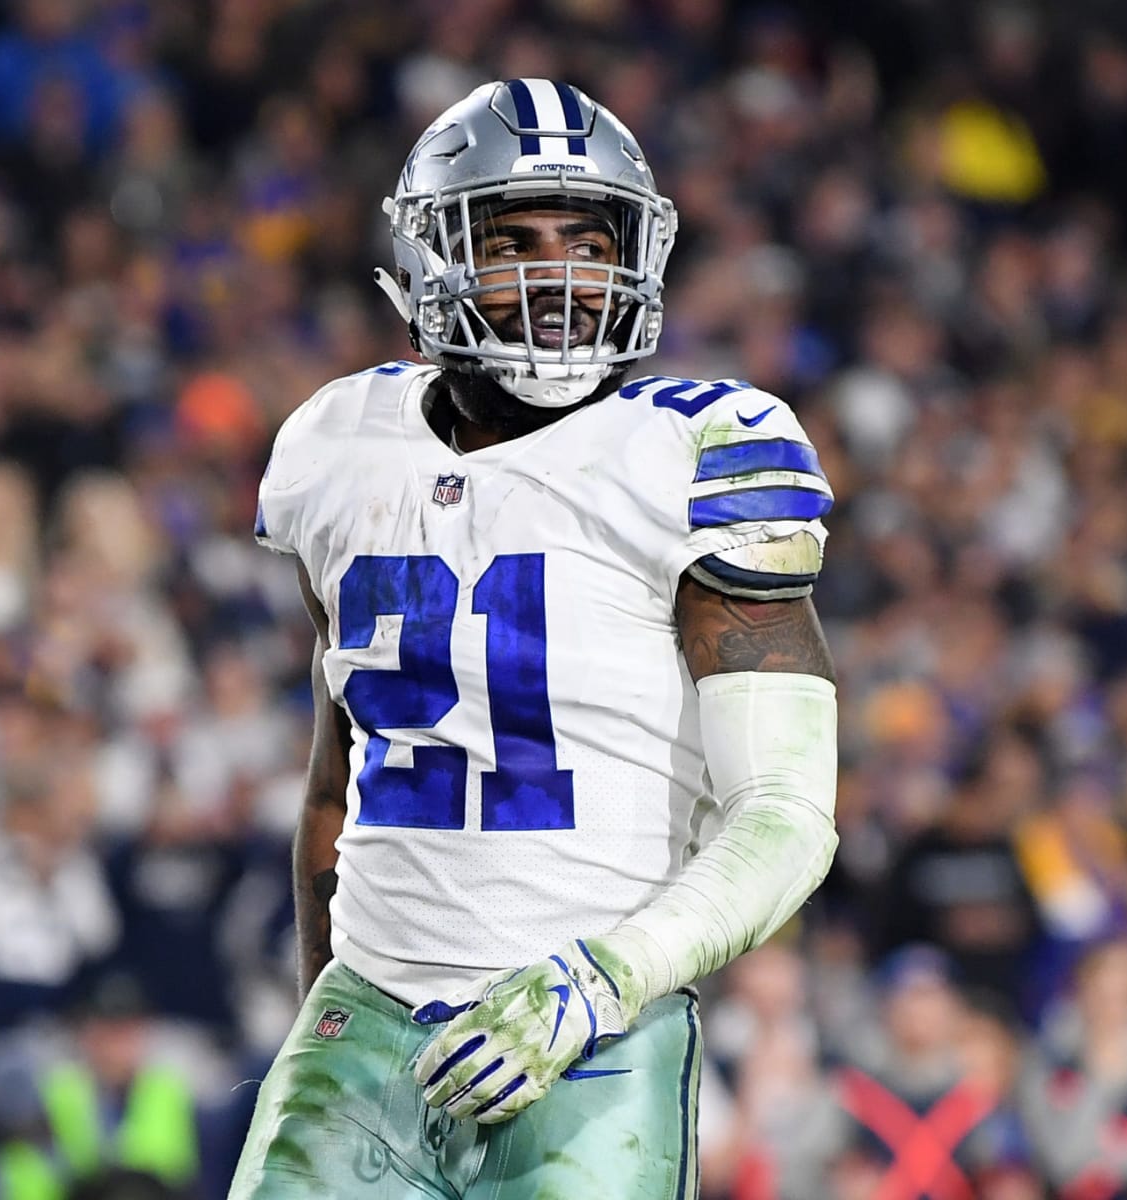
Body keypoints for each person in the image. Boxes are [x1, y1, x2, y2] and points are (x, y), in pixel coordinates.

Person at [229, 77, 839, 1198]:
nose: (560, 279)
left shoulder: (697, 453)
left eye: (589, 244)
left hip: (598, 1032)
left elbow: (790, 820)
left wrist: (598, 983)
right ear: (428, 265)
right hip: (366, 1015)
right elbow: (337, 782)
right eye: (511, 243)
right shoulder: (337, 444)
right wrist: (322, 1006)